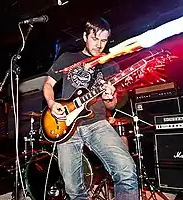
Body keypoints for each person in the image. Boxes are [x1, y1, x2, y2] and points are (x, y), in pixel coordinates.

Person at [43, 18, 138, 200]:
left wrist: (110, 97)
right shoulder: (68, 58)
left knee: (126, 172)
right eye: (95, 39)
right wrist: (52, 103)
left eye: (104, 40)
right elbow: (48, 84)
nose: (99, 44)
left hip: (97, 123)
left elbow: (111, 105)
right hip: (66, 128)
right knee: (74, 190)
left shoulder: (110, 65)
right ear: (85, 36)